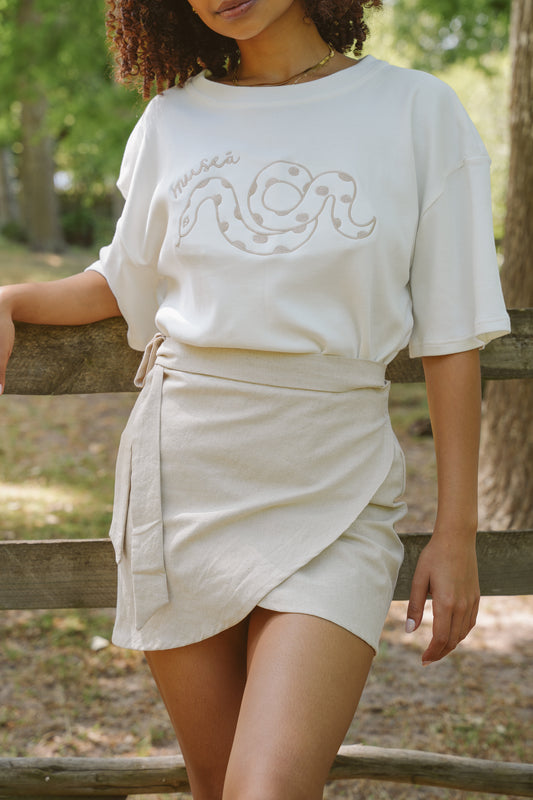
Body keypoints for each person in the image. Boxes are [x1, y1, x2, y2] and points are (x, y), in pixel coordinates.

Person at [0, 1, 511, 798]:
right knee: (215, 786)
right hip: (183, 482)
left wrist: (456, 534)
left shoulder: (417, 110)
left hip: (333, 487)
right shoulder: (171, 119)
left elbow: (450, 333)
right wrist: (14, 298)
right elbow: (120, 279)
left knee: (265, 788)